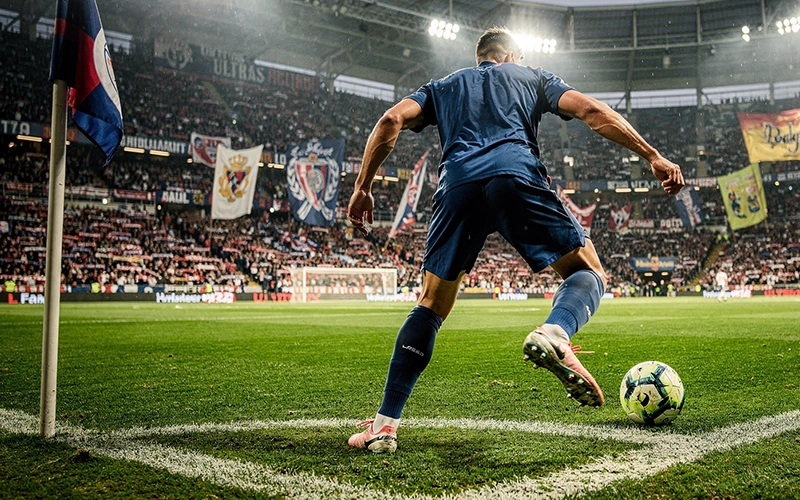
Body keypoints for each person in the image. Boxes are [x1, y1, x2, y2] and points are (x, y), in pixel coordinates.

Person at [346, 27, 684, 453]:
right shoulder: (531, 77)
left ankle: (384, 426)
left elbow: (390, 120)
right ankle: (556, 333)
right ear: (510, 55)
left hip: (457, 188)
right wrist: (651, 155)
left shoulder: (443, 87)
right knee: (588, 271)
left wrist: (363, 187)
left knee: (431, 304)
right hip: (514, 175)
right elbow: (592, 111)